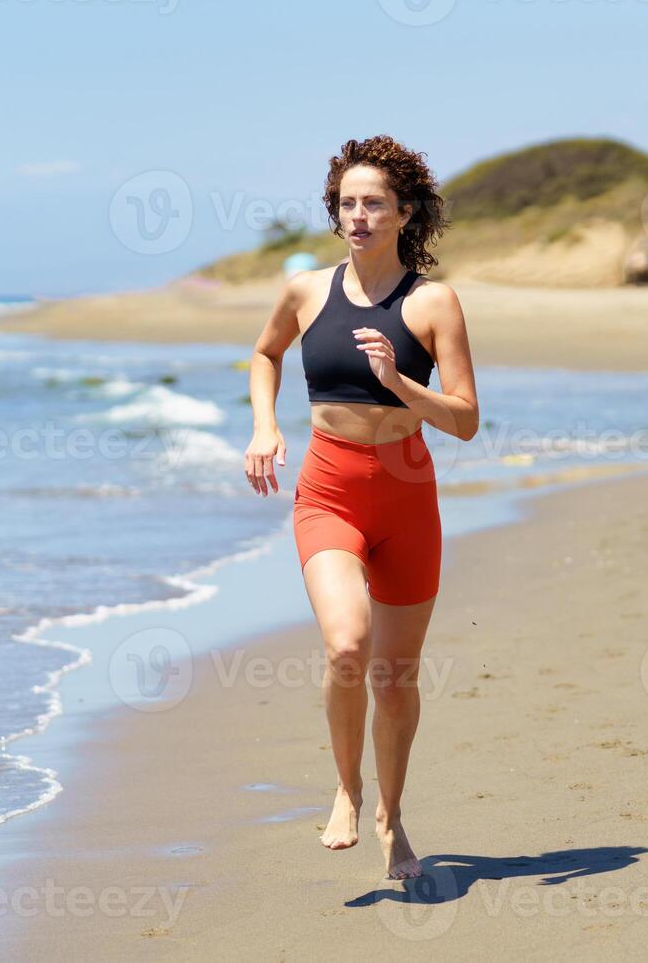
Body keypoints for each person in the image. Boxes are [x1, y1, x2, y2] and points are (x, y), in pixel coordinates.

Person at [244, 135, 480, 880]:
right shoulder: (307, 292)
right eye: (347, 203)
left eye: (373, 202)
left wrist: (400, 383)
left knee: (397, 673)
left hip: (408, 495)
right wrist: (264, 424)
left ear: (404, 212)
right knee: (348, 647)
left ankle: (393, 817)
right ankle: (346, 792)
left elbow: (467, 418)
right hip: (331, 489)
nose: (358, 214)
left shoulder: (432, 302)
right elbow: (265, 353)